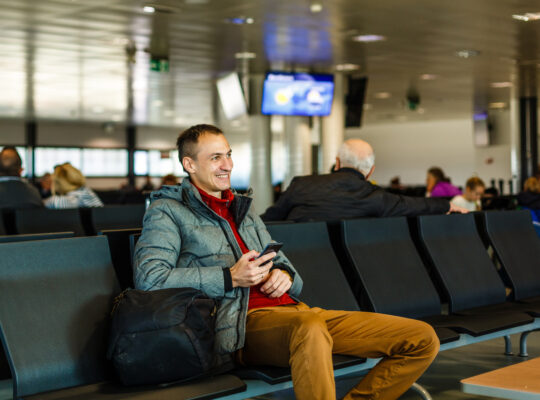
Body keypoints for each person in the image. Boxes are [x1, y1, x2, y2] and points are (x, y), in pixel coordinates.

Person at [134, 124, 439, 400]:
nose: (227, 164)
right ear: (189, 164)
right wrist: (229, 277)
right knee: (308, 327)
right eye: (215, 158)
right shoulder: (167, 211)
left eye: (228, 155)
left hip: (297, 314)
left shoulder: (244, 209)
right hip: (238, 327)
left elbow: (288, 269)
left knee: (420, 338)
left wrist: (285, 276)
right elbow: (149, 277)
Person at [262, 139, 467, 222]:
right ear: (370, 172)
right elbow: (412, 205)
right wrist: (447, 205)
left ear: (337, 162)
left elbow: (269, 220)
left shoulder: (301, 184)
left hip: (293, 271)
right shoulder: (375, 197)